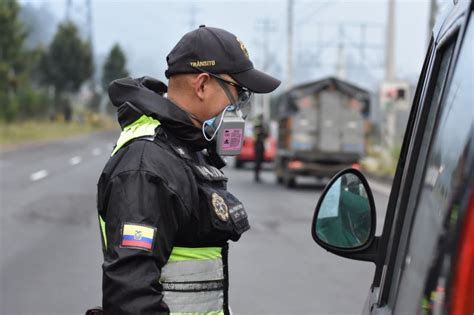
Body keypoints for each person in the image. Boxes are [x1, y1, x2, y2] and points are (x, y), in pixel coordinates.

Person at [95, 25, 280, 315]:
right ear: (203, 84)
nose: (241, 108)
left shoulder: (187, 150)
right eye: (239, 94)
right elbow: (131, 297)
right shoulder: (147, 166)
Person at [253, 114, 268, 182]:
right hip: (258, 144)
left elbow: (266, 134)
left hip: (261, 144)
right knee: (258, 161)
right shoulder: (257, 126)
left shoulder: (262, 126)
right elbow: (258, 134)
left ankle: (258, 175)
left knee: (260, 161)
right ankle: (256, 176)